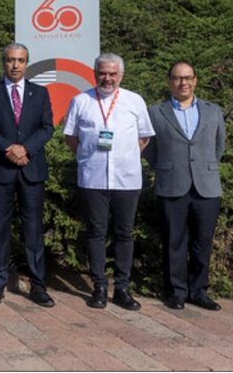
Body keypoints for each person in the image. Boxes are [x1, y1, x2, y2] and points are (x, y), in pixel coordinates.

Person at [63, 53, 154, 311]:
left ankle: (122, 288)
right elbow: (71, 137)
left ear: (121, 75)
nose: (107, 78)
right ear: (95, 73)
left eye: (113, 74)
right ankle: (99, 287)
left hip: (127, 179)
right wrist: (88, 156)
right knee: (96, 232)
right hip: (93, 178)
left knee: (124, 233)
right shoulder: (81, 101)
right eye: (103, 73)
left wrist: (125, 155)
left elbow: (144, 137)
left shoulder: (134, 101)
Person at [0, 43, 55, 307]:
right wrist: (9, 148)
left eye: (20, 60)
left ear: (27, 62)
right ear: (3, 62)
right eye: (10, 60)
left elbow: (47, 128)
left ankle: (38, 286)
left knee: (33, 230)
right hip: (1, 169)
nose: (15, 65)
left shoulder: (40, 93)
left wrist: (26, 149)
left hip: (31, 170)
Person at [145, 62, 226, 311]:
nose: (184, 83)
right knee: (174, 241)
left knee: (202, 242)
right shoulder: (156, 112)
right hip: (172, 184)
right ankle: (176, 292)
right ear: (169, 81)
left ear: (196, 80)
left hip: (207, 186)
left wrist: (203, 166)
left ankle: (199, 291)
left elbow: (218, 147)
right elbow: (149, 148)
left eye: (188, 78)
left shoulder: (214, 111)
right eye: (178, 78)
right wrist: (165, 166)